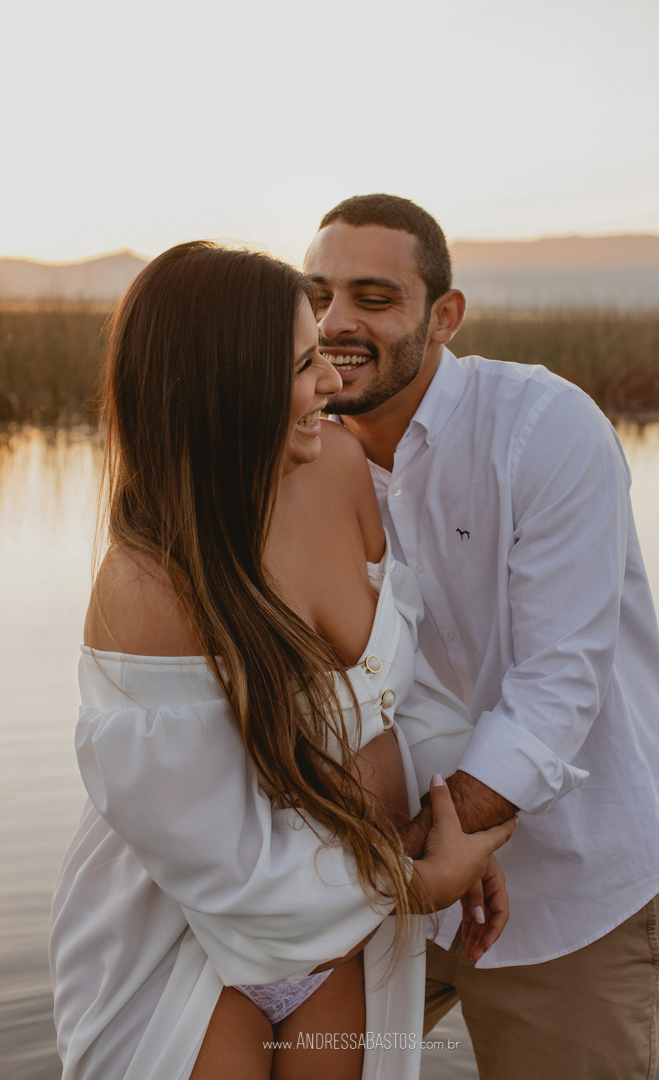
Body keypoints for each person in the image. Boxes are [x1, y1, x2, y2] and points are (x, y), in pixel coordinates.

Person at [49, 241, 516, 1080]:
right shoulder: (147, 585)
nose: (333, 385)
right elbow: (227, 873)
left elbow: (392, 696)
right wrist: (418, 883)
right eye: (305, 365)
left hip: (354, 931)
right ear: (229, 392)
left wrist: (457, 824)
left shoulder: (337, 467)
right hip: (195, 945)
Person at [304, 193, 659, 1080]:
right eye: (317, 292)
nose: (334, 323)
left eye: (372, 296)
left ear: (444, 318)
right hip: (380, 881)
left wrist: (430, 844)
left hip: (568, 891)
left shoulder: (542, 429)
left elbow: (557, 683)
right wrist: (372, 871)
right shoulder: (297, 457)